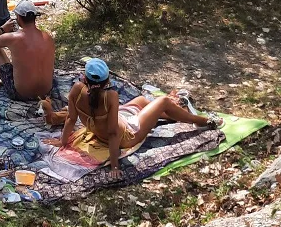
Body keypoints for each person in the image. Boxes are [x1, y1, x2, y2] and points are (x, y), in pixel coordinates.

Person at [42, 59, 223, 181]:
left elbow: (71, 120)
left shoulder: (76, 89)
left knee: (142, 101)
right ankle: (202, 120)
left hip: (102, 129)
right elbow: (114, 134)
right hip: (128, 135)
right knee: (163, 101)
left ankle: (176, 114)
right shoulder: (110, 96)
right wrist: (115, 165)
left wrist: (62, 141)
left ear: (84, 78)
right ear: (106, 82)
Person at [0, 0, 55, 100]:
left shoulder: (14, 38)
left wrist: (2, 29)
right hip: (45, 93)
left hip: (21, 95)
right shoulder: (48, 37)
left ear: (18, 17)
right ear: (34, 18)